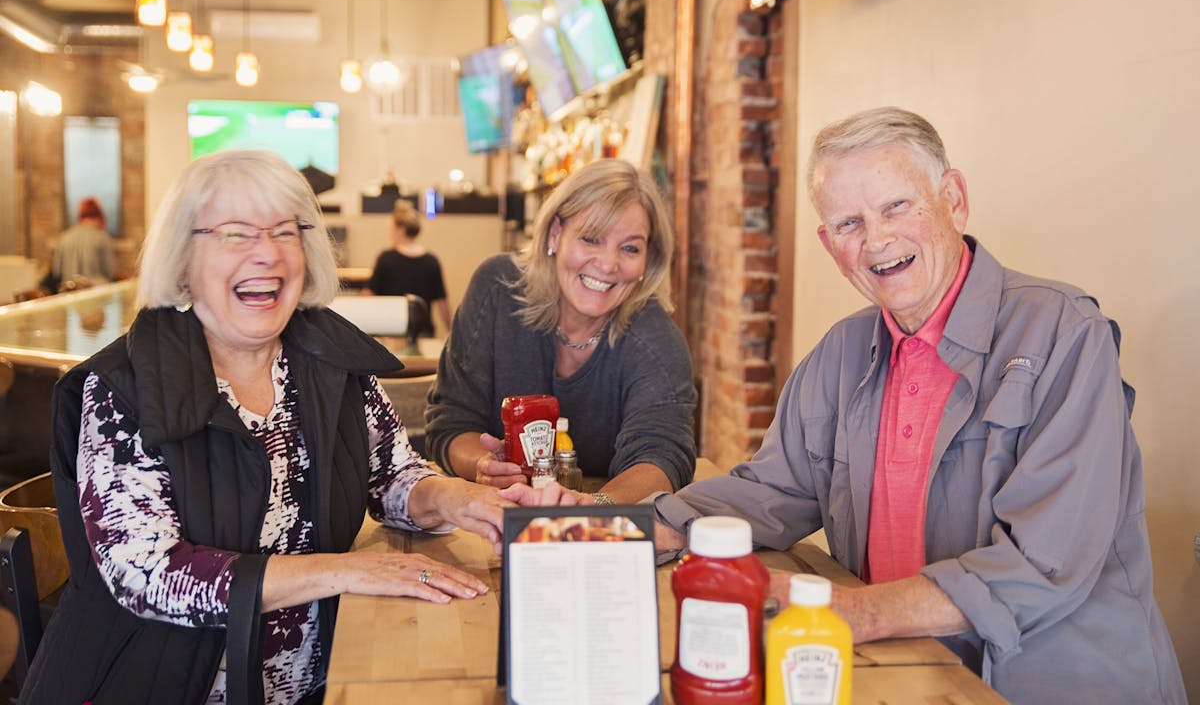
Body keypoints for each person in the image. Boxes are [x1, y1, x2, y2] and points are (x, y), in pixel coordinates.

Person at [544, 108, 1186, 704]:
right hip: (900, 672)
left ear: (953, 200)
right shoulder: (842, 351)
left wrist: (854, 611)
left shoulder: (1063, 333)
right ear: (830, 245)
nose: (877, 240)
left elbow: (1045, 561)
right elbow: (769, 491)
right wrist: (604, 525)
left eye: (897, 206)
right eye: (850, 223)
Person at [23, 150, 521, 704]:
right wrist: (345, 571)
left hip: (316, 685)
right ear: (184, 260)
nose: (266, 253)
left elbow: (393, 476)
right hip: (153, 683)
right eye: (235, 233)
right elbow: (147, 573)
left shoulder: (328, 359)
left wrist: (459, 500)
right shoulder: (125, 388)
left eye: (285, 232)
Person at [425, 158, 697, 504]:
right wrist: (482, 464)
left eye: (630, 247)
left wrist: (592, 508)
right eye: (591, 238)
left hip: (605, 529)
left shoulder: (657, 339)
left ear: (649, 260)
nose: (608, 264)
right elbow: (449, 423)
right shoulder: (497, 290)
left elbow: (662, 456)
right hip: (491, 517)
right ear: (555, 234)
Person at [364, 199, 450, 337]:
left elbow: (370, 295)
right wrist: (450, 331)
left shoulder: (386, 258)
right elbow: (442, 302)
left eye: (390, 228)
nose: (389, 233)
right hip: (423, 333)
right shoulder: (431, 261)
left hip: (390, 331)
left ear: (400, 230)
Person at [43, 196, 115, 291]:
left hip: (68, 293)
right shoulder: (101, 237)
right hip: (95, 295)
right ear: (99, 215)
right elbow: (108, 272)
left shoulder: (64, 237)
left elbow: (57, 271)